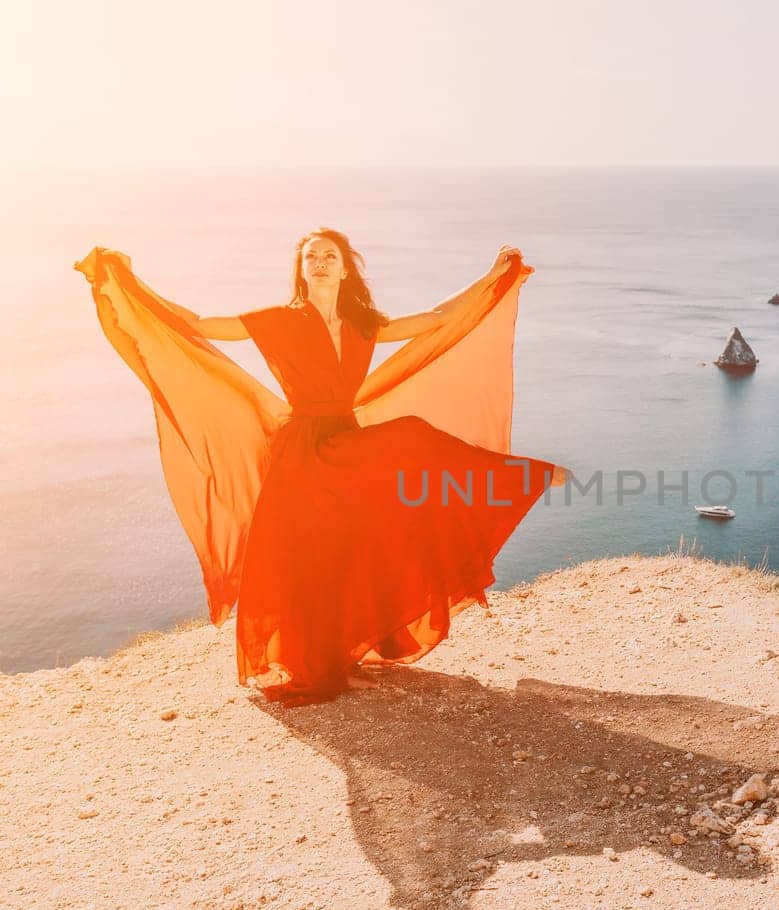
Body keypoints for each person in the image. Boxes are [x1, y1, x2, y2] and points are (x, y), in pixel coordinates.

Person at [76, 228, 569, 705]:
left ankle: (343, 653)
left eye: (329, 255)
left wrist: (490, 277)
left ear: (345, 268)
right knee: (312, 559)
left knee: (356, 543)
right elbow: (203, 324)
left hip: (345, 441)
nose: (319, 262)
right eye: (310, 257)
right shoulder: (279, 319)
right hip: (302, 453)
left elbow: (438, 317)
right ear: (301, 270)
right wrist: (130, 285)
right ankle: (319, 665)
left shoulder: (362, 323)